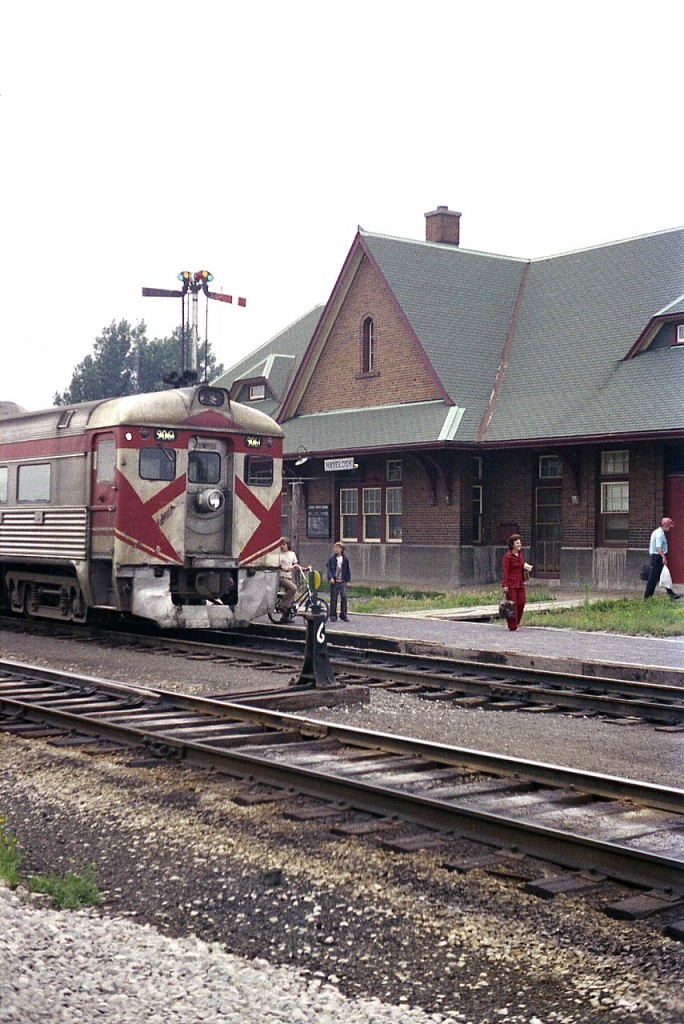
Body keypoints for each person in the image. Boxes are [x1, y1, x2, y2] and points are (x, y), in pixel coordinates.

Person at [501, 533, 533, 631]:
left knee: (521, 602)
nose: (519, 544)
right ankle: (512, 625)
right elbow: (505, 571)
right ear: (512, 544)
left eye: (520, 543)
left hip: (520, 582)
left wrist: (526, 566)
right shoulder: (507, 556)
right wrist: (505, 585)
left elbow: (521, 564)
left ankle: (517, 622)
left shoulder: (520, 554)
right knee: (512, 604)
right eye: (517, 543)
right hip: (511, 583)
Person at [644, 517, 681, 600]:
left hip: (656, 556)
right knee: (653, 578)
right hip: (657, 557)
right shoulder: (660, 534)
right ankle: (647, 597)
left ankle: (671, 593)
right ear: (665, 525)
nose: (669, 529)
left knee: (664, 575)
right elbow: (658, 547)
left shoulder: (657, 532)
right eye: (669, 527)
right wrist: (663, 557)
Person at [277, 538, 304, 622]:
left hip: (289, 577)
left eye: (284, 544)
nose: (282, 546)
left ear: (288, 545)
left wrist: (305, 569)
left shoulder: (292, 554)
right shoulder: (279, 554)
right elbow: (278, 565)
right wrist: (284, 569)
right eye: (281, 544)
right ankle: (282, 604)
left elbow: (295, 565)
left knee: (291, 599)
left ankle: (285, 617)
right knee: (293, 588)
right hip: (281, 577)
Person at [327, 541, 351, 622]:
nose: (336, 549)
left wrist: (348, 580)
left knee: (344, 597)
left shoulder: (345, 559)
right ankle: (333, 615)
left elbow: (347, 570)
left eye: (338, 548)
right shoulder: (332, 558)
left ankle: (343, 614)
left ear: (342, 549)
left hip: (343, 580)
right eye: (335, 548)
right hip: (335, 581)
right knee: (334, 598)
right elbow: (329, 569)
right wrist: (330, 578)